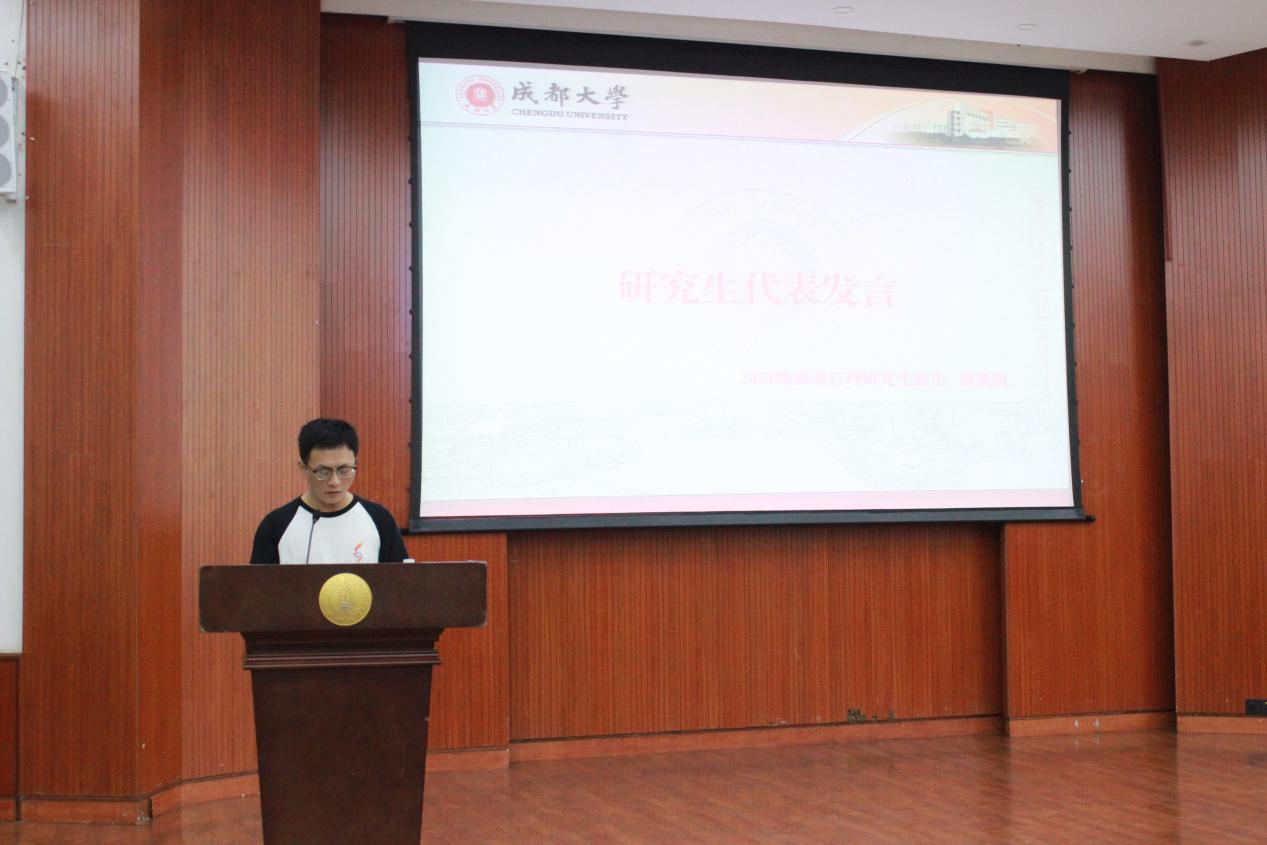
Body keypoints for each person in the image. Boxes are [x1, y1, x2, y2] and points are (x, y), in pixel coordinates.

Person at [250, 418, 409, 564]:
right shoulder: (276, 526)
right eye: (323, 471)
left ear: (356, 463)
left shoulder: (380, 520)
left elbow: (400, 582)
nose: (334, 482)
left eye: (344, 470)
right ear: (303, 468)